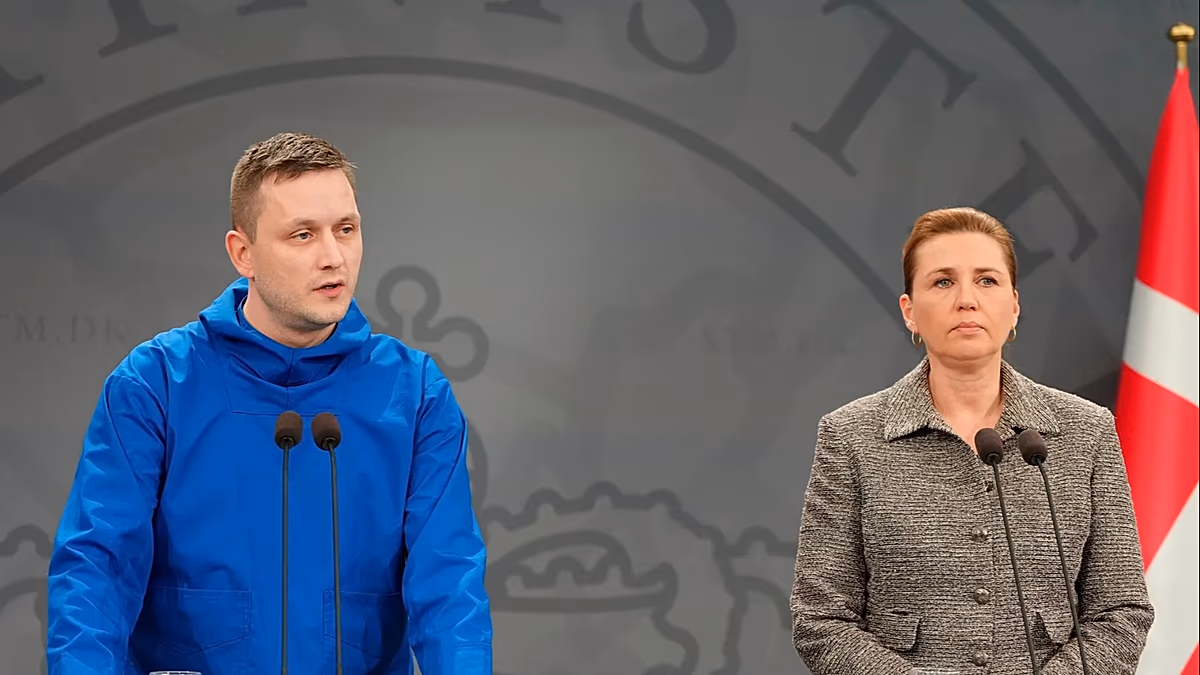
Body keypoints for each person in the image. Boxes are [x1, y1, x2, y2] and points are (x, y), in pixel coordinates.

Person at [45, 132, 492, 674]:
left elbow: (449, 586)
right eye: (302, 235)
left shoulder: (414, 392)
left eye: (346, 230)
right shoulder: (156, 382)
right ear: (243, 253)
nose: (333, 257)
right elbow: (97, 570)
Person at [789, 207, 1154, 674]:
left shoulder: (1086, 430)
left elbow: (1121, 610)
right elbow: (821, 620)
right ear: (909, 311)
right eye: (943, 281)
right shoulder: (851, 436)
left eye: (987, 280)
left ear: (1014, 305)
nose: (967, 300)